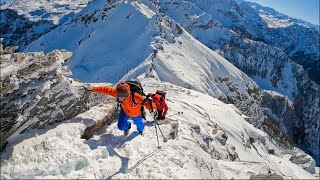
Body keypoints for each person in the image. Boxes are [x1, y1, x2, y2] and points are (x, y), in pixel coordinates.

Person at [84, 82, 156, 136]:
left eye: (124, 97)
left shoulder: (135, 97)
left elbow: (147, 103)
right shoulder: (117, 93)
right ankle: (128, 126)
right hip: (124, 111)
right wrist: (93, 89)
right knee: (121, 127)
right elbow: (105, 90)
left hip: (136, 114)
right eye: (119, 97)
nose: (121, 98)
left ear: (128, 94)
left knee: (140, 126)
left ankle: (140, 131)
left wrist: (153, 109)